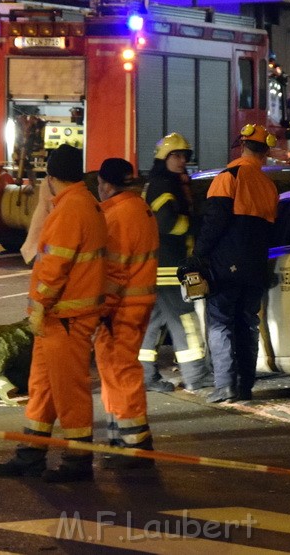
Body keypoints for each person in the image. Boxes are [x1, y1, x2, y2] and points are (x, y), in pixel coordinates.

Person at [0, 144, 107, 483]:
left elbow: (55, 266)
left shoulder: (70, 209)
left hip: (65, 317)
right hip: (58, 319)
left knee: (69, 390)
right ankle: (30, 453)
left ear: (52, 178)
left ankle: (78, 461)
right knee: (42, 386)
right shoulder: (83, 204)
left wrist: (40, 305)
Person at [193, 124, 279, 404]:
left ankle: (225, 386)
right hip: (255, 266)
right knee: (248, 324)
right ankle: (245, 386)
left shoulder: (228, 177)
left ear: (242, 145)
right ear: (265, 152)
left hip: (225, 265)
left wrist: (199, 255)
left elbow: (214, 222)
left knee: (220, 324)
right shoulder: (268, 186)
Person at [93, 158, 160, 469]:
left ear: (106, 184)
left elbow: (115, 271)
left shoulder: (117, 215)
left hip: (121, 307)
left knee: (121, 368)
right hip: (135, 302)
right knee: (112, 366)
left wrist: (101, 309)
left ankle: (134, 441)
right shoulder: (139, 208)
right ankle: (120, 435)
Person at [140, 133, 213, 393]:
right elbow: (167, 223)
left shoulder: (162, 182)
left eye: (184, 156)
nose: (182, 161)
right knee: (186, 321)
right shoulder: (164, 185)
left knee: (154, 323)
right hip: (172, 267)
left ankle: (145, 375)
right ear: (164, 158)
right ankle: (196, 375)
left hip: (160, 266)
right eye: (176, 156)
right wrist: (196, 225)